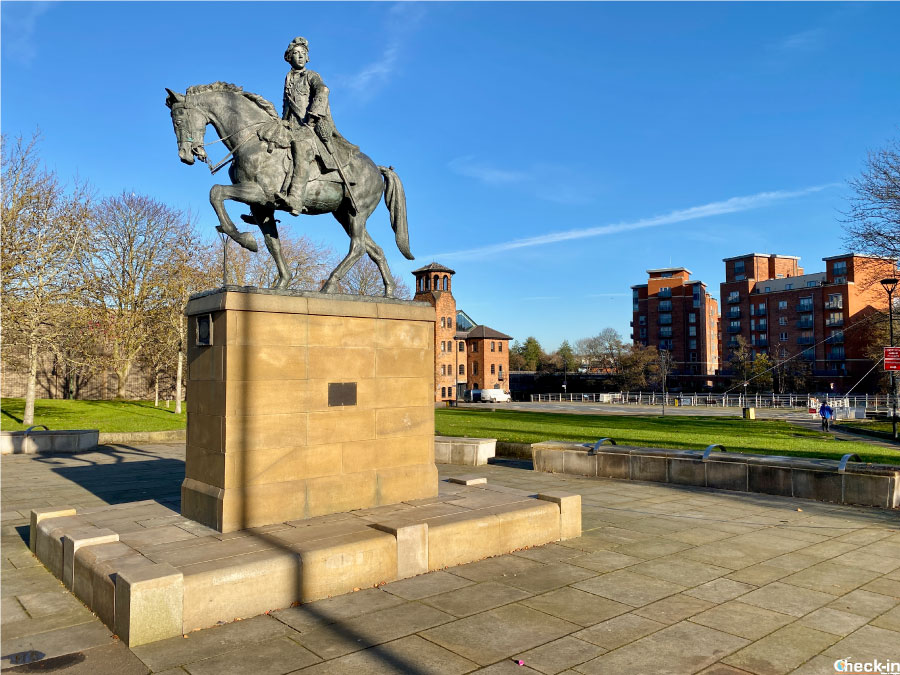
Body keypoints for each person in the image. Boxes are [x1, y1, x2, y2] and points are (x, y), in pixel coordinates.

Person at [277, 36, 346, 215]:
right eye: (296, 53)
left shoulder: (311, 75)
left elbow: (323, 90)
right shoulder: (288, 79)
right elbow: (287, 106)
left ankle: (296, 198)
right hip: (290, 127)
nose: (299, 56)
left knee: (300, 148)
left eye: (303, 54)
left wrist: (313, 117)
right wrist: (281, 122)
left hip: (309, 128)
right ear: (289, 57)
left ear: (307, 57)